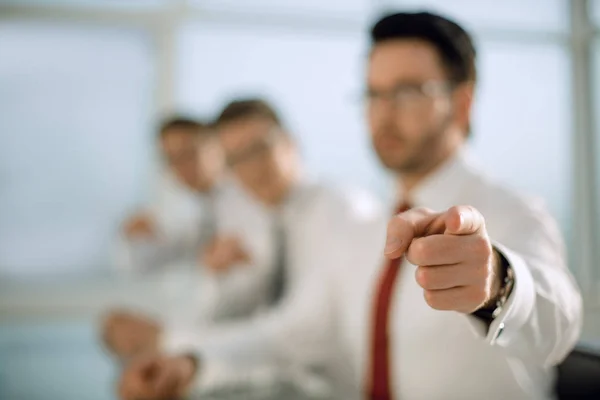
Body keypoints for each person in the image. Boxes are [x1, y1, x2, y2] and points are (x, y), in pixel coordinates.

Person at [116, 12, 583, 400]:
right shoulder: (365, 234)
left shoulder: (513, 211)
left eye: (406, 91)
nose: (383, 111)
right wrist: (190, 363)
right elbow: (292, 334)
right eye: (374, 94)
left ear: (461, 103)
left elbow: (559, 325)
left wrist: (499, 282)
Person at [112, 98, 380, 384]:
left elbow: (306, 328)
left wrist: (180, 346)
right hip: (293, 377)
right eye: (236, 160)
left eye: (258, 149)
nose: (251, 169)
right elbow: (247, 307)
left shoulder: (339, 209)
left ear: (291, 142)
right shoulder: (274, 221)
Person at [115, 116, 224, 275]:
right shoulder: (186, 209)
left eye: (188, 153)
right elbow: (137, 267)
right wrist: (133, 237)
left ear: (215, 145)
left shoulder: (247, 190)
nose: (181, 166)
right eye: (171, 159)